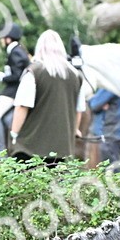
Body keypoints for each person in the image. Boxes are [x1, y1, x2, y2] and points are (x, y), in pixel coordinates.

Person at [9, 30, 84, 165]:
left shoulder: (34, 72)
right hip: (61, 150)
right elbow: (79, 110)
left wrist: (14, 134)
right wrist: (74, 130)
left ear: (39, 48)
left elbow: (22, 106)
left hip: (29, 149)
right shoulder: (76, 75)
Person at [0, 23, 30, 153]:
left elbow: (16, 76)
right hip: (15, 89)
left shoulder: (15, 52)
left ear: (8, 39)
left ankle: (1, 149)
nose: (1, 41)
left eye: (2, 38)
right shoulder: (18, 50)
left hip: (15, 91)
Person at [86, 87, 120, 169]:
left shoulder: (110, 84)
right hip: (116, 133)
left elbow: (94, 104)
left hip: (106, 133)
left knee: (109, 172)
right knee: (111, 170)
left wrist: (91, 97)